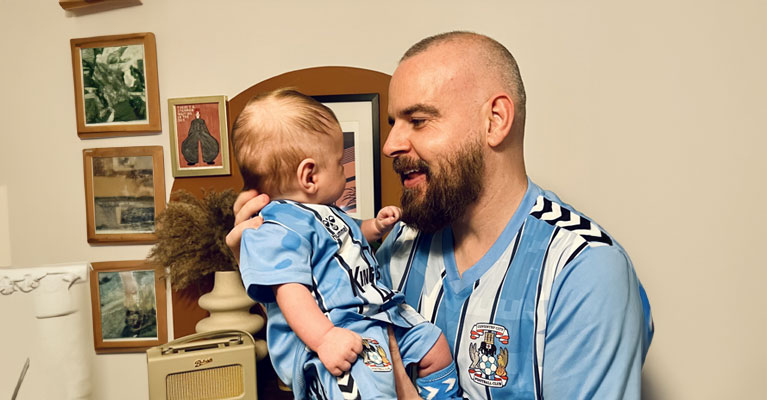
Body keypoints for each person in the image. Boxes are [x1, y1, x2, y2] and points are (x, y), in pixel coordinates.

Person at [228, 32, 654, 399]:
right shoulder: (400, 244)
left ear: (495, 120)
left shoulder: (584, 271)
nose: (391, 144)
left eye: (417, 120)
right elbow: (327, 346)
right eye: (395, 122)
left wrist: (396, 380)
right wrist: (273, 271)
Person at [230, 89, 459, 399]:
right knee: (372, 388)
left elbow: (349, 238)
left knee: (433, 345)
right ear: (309, 176)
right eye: (339, 163)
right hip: (336, 328)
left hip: (377, 314)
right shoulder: (276, 226)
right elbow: (289, 292)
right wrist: (325, 339)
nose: (344, 170)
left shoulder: (326, 213)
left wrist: (376, 226)